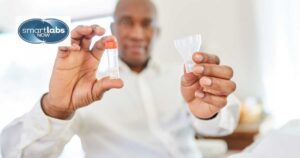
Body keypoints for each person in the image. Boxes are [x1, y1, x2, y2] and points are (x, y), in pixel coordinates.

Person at [1, 0, 239, 157]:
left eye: (146, 24)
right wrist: (54, 108)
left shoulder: (183, 77)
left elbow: (223, 125)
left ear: (156, 33)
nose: (137, 34)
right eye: (127, 22)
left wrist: (210, 112)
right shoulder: (86, 90)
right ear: (114, 29)